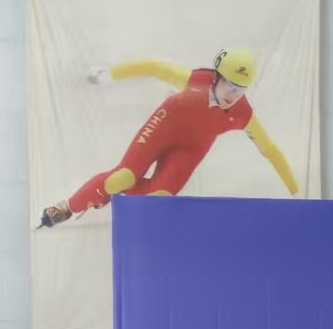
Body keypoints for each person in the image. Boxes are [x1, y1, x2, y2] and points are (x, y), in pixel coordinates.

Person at [39, 49, 298, 228]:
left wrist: (296, 193)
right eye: (231, 87)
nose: (234, 96)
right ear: (217, 77)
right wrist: (107, 75)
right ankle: (68, 207)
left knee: (158, 200)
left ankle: (106, 193)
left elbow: (271, 151)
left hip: (190, 150)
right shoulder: (194, 81)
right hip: (164, 127)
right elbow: (153, 67)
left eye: (241, 90)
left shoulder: (242, 114)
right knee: (122, 177)